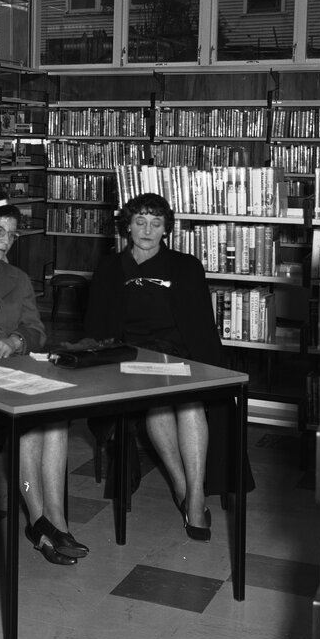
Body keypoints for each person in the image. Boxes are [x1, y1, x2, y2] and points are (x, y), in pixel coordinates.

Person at [84, 191, 252, 540]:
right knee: (159, 403)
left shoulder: (185, 266)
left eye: (156, 223)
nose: (147, 229)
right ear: (127, 227)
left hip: (180, 355)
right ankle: (184, 488)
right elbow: (97, 327)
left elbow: (201, 326)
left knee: (189, 403)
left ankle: (193, 497)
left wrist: (211, 368)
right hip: (128, 358)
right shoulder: (110, 268)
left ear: (166, 230)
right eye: (140, 221)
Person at [0, 204, 85, 566]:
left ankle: (53, 522)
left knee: (53, 418)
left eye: (11, 234)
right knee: (30, 420)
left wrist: (14, 342)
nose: (5, 240)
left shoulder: (19, 278)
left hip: (10, 373)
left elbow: (37, 331)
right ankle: (43, 522)